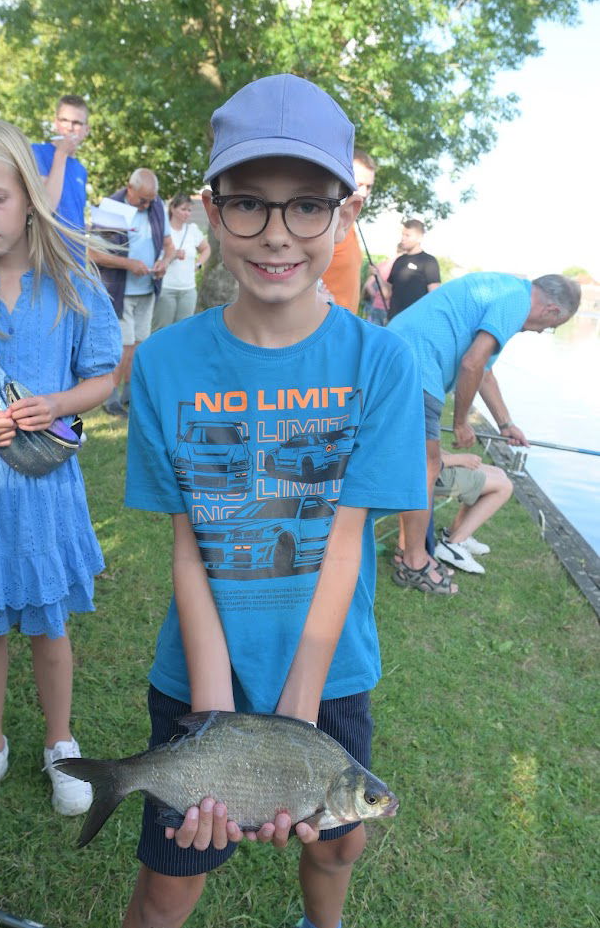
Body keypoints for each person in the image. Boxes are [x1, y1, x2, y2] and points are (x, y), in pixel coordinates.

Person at [123, 73, 427, 928]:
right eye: (249, 203)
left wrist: (296, 718)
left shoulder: (381, 362)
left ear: (344, 212)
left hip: (331, 673)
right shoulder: (163, 363)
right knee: (173, 877)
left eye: (306, 205)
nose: (277, 233)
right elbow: (189, 546)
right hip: (200, 670)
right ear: (212, 210)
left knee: (336, 843)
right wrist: (217, 713)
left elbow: (344, 541)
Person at [0, 119, 122, 817]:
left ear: (29, 197)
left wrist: (58, 402)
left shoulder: (71, 277)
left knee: (49, 625)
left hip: (44, 490)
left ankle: (60, 742)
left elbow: (103, 376)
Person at [387, 271, 581, 595]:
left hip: (402, 358)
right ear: (552, 311)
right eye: (549, 327)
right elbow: (471, 364)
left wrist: (506, 424)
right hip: (415, 366)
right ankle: (414, 562)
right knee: (425, 467)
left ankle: (409, 553)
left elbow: (484, 373)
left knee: (420, 465)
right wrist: (461, 422)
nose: (539, 331)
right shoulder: (515, 302)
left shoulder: (506, 292)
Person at [89, 168, 175, 417]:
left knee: (139, 344)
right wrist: (129, 264)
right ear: (130, 188)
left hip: (147, 289)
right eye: (143, 200)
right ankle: (110, 397)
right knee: (123, 346)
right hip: (119, 290)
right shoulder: (111, 208)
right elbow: (93, 253)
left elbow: (169, 246)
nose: (147, 205)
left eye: (150, 200)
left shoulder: (156, 207)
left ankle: (130, 393)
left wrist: (164, 262)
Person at [432, 450, 513, 574]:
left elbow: (428, 446)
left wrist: (453, 458)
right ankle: (453, 544)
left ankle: (454, 532)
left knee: (499, 473)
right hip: (426, 473)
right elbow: (418, 459)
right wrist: (459, 459)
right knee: (504, 487)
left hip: (433, 464)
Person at [31, 95, 90, 261]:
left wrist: (86, 228)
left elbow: (71, 214)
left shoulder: (81, 169)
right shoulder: (36, 152)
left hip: (76, 259)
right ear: (56, 123)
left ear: (86, 130)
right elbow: (46, 205)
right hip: (47, 259)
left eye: (77, 123)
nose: (70, 128)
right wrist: (61, 154)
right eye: (64, 120)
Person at [319, 149, 376, 314]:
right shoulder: (324, 223)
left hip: (344, 324)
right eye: (359, 184)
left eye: (369, 187)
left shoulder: (349, 224)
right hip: (322, 324)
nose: (364, 193)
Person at [151, 193, 210, 332]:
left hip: (188, 290)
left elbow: (206, 249)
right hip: (166, 288)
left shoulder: (192, 230)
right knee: (162, 330)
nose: (187, 213)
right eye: (183, 209)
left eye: (189, 210)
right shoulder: (162, 231)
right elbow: (153, 259)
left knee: (184, 331)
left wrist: (198, 264)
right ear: (173, 208)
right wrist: (172, 255)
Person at [373, 219, 440, 320]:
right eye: (402, 235)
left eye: (407, 235)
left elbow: (434, 296)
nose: (403, 238)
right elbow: (387, 294)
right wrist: (377, 275)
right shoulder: (399, 260)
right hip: (393, 320)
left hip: (415, 321)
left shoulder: (429, 261)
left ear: (420, 238)